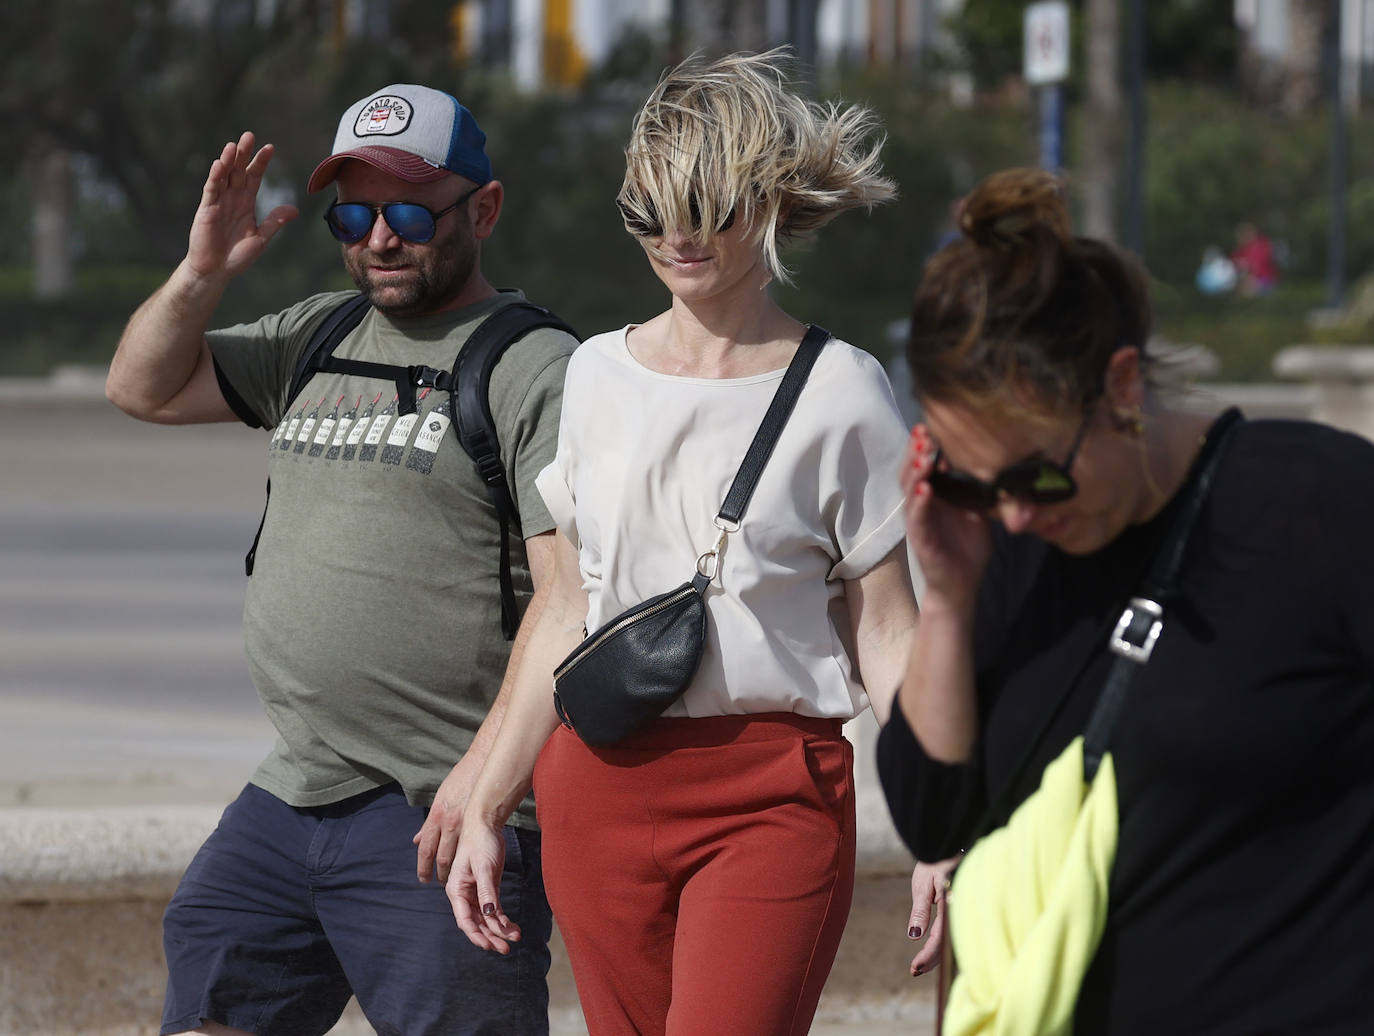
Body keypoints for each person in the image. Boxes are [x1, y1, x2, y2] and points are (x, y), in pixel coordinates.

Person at [444, 50, 921, 1035]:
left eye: (708, 205)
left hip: (772, 793)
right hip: (596, 784)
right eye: (649, 210)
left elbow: (888, 634)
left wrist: (942, 818)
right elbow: (569, 608)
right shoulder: (593, 376)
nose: (676, 235)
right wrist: (489, 801)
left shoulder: (843, 390)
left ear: (773, 200)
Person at [105, 84, 577, 1036]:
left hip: (440, 808)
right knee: (210, 997)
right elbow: (141, 387)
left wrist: (484, 786)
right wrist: (203, 272)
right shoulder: (317, 336)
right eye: (352, 215)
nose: (379, 241)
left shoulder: (536, 369)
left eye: (407, 212)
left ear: (482, 210)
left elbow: (570, 599)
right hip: (294, 790)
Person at [878, 167, 1374, 1032]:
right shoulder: (1007, 545)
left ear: (1123, 389)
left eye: (1036, 473)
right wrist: (950, 602)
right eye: (971, 480)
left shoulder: (1318, 507)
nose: (1015, 511)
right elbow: (933, 815)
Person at [1230, 221, 1278, 296]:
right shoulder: (1238, 252)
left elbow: (1260, 265)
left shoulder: (1263, 245)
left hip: (1265, 280)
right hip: (1245, 281)